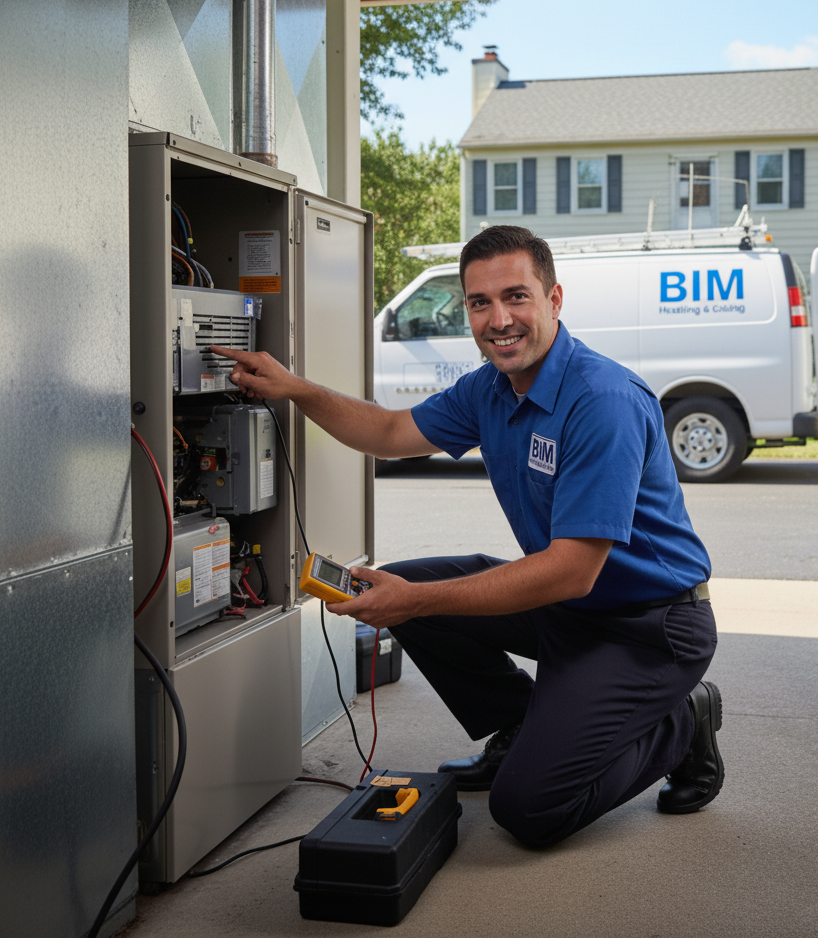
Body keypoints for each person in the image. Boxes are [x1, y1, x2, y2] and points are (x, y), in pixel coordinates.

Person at [211, 224, 723, 849]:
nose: (498, 319)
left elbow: (571, 570)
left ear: (554, 300)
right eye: (480, 302)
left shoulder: (602, 401)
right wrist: (297, 388)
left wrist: (414, 601)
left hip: (648, 627)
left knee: (530, 810)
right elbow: (392, 432)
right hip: (570, 610)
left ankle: (682, 719)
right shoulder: (492, 387)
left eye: (516, 296)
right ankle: (517, 726)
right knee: (415, 587)